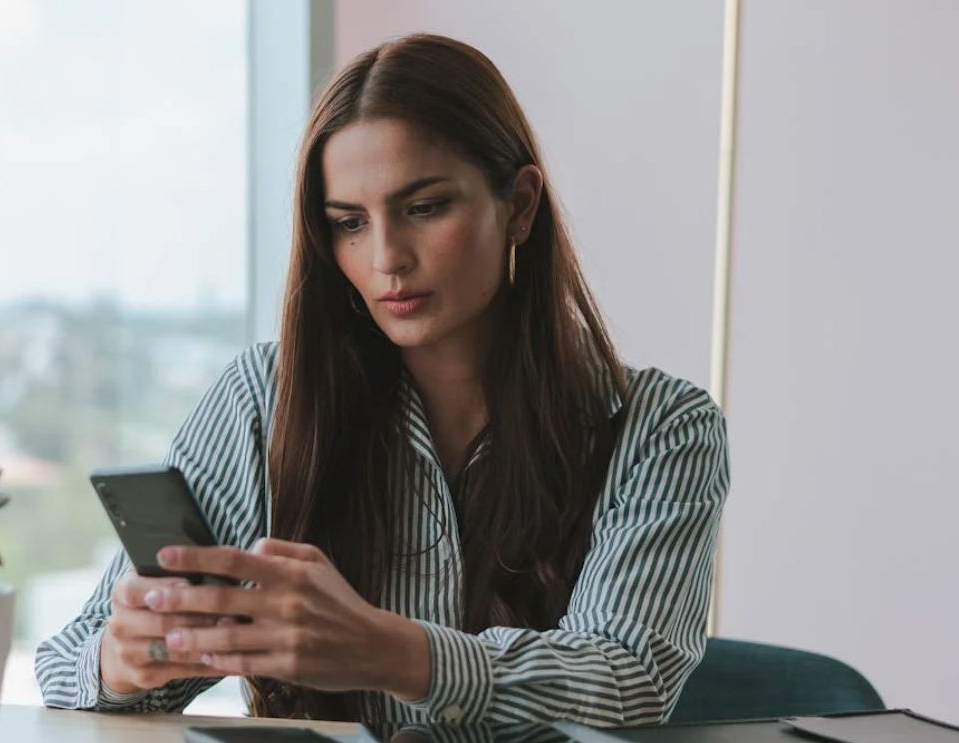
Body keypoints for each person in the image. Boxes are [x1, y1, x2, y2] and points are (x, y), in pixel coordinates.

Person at [36, 32, 729, 727]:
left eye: (424, 208)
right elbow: (65, 665)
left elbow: (625, 675)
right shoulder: (265, 399)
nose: (386, 257)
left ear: (519, 205)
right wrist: (125, 661)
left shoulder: (661, 426)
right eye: (348, 224)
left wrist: (386, 650)